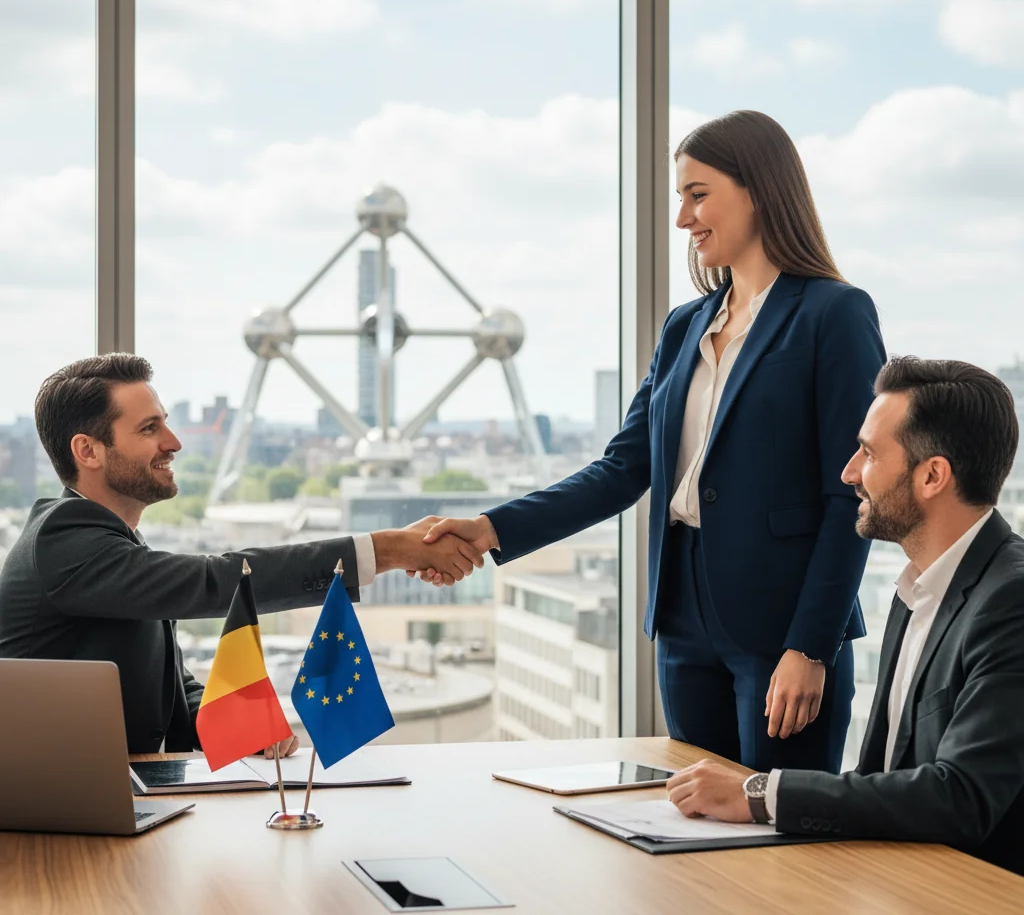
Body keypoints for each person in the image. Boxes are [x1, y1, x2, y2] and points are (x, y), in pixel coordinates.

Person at [416, 111, 885, 774]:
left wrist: (812, 646)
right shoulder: (684, 327)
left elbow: (854, 493)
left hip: (782, 626)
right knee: (693, 814)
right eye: (680, 198)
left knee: (778, 825)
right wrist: (491, 529)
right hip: (682, 619)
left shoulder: (833, 313)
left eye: (698, 195)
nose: (683, 218)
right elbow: (622, 468)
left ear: (758, 191)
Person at [0, 354, 482, 755]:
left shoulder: (111, 543)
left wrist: (241, 729)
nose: (174, 443)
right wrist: (386, 549)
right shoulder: (63, 539)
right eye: (149, 428)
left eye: (165, 423)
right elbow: (216, 582)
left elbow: (169, 684)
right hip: (50, 817)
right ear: (88, 451)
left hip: (113, 803)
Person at [666, 357, 1024, 876]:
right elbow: (883, 775)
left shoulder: (1011, 601)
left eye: (869, 453)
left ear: (932, 476)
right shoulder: (917, 589)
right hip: (898, 877)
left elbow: (962, 796)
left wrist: (758, 793)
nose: (849, 472)